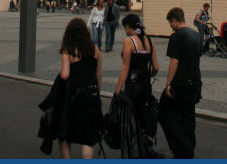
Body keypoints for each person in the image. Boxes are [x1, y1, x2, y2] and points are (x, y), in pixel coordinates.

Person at [159, 7, 202, 159]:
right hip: (195, 82)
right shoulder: (196, 35)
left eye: (170, 22)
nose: (170, 25)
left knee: (164, 112)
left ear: (175, 20)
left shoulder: (176, 37)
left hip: (180, 83)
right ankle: (189, 146)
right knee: (188, 116)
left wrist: (168, 83)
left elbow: (174, 61)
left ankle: (182, 147)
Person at [58, 18, 103, 158]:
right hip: (92, 93)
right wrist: (98, 95)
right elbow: (99, 76)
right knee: (88, 137)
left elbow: (65, 75)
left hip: (74, 96)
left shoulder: (68, 50)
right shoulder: (95, 49)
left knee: (64, 132)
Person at [114, 14, 160, 149]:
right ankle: (143, 145)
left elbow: (125, 68)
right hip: (145, 86)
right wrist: (148, 76)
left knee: (131, 119)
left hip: (132, 87)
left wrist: (118, 89)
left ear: (128, 26)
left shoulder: (129, 41)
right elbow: (156, 67)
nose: (125, 30)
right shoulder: (149, 41)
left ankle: (134, 148)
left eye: (125, 27)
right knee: (143, 116)